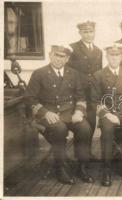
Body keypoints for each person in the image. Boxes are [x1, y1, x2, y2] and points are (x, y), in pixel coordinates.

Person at [24, 45, 93, 184]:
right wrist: (45, 112)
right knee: (59, 129)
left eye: (62, 56)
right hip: (48, 113)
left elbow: (80, 96)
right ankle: (60, 167)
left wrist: (79, 111)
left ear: (67, 59)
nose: (58, 59)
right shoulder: (39, 73)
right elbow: (30, 98)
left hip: (69, 113)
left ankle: (82, 166)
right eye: (56, 55)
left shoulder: (73, 73)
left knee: (85, 128)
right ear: (50, 55)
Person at [91, 43, 122, 186]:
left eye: (117, 55)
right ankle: (106, 169)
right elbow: (95, 100)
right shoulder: (98, 75)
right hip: (109, 113)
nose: (114, 58)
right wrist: (107, 114)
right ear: (107, 56)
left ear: (121, 57)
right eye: (111, 55)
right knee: (107, 130)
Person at [68, 20, 103, 155]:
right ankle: (80, 153)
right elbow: (68, 71)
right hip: (79, 93)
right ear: (80, 33)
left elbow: (98, 72)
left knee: (92, 121)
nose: (88, 35)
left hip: (93, 93)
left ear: (94, 32)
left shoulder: (98, 51)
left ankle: (87, 152)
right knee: (80, 123)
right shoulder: (73, 48)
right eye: (85, 32)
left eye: (91, 32)